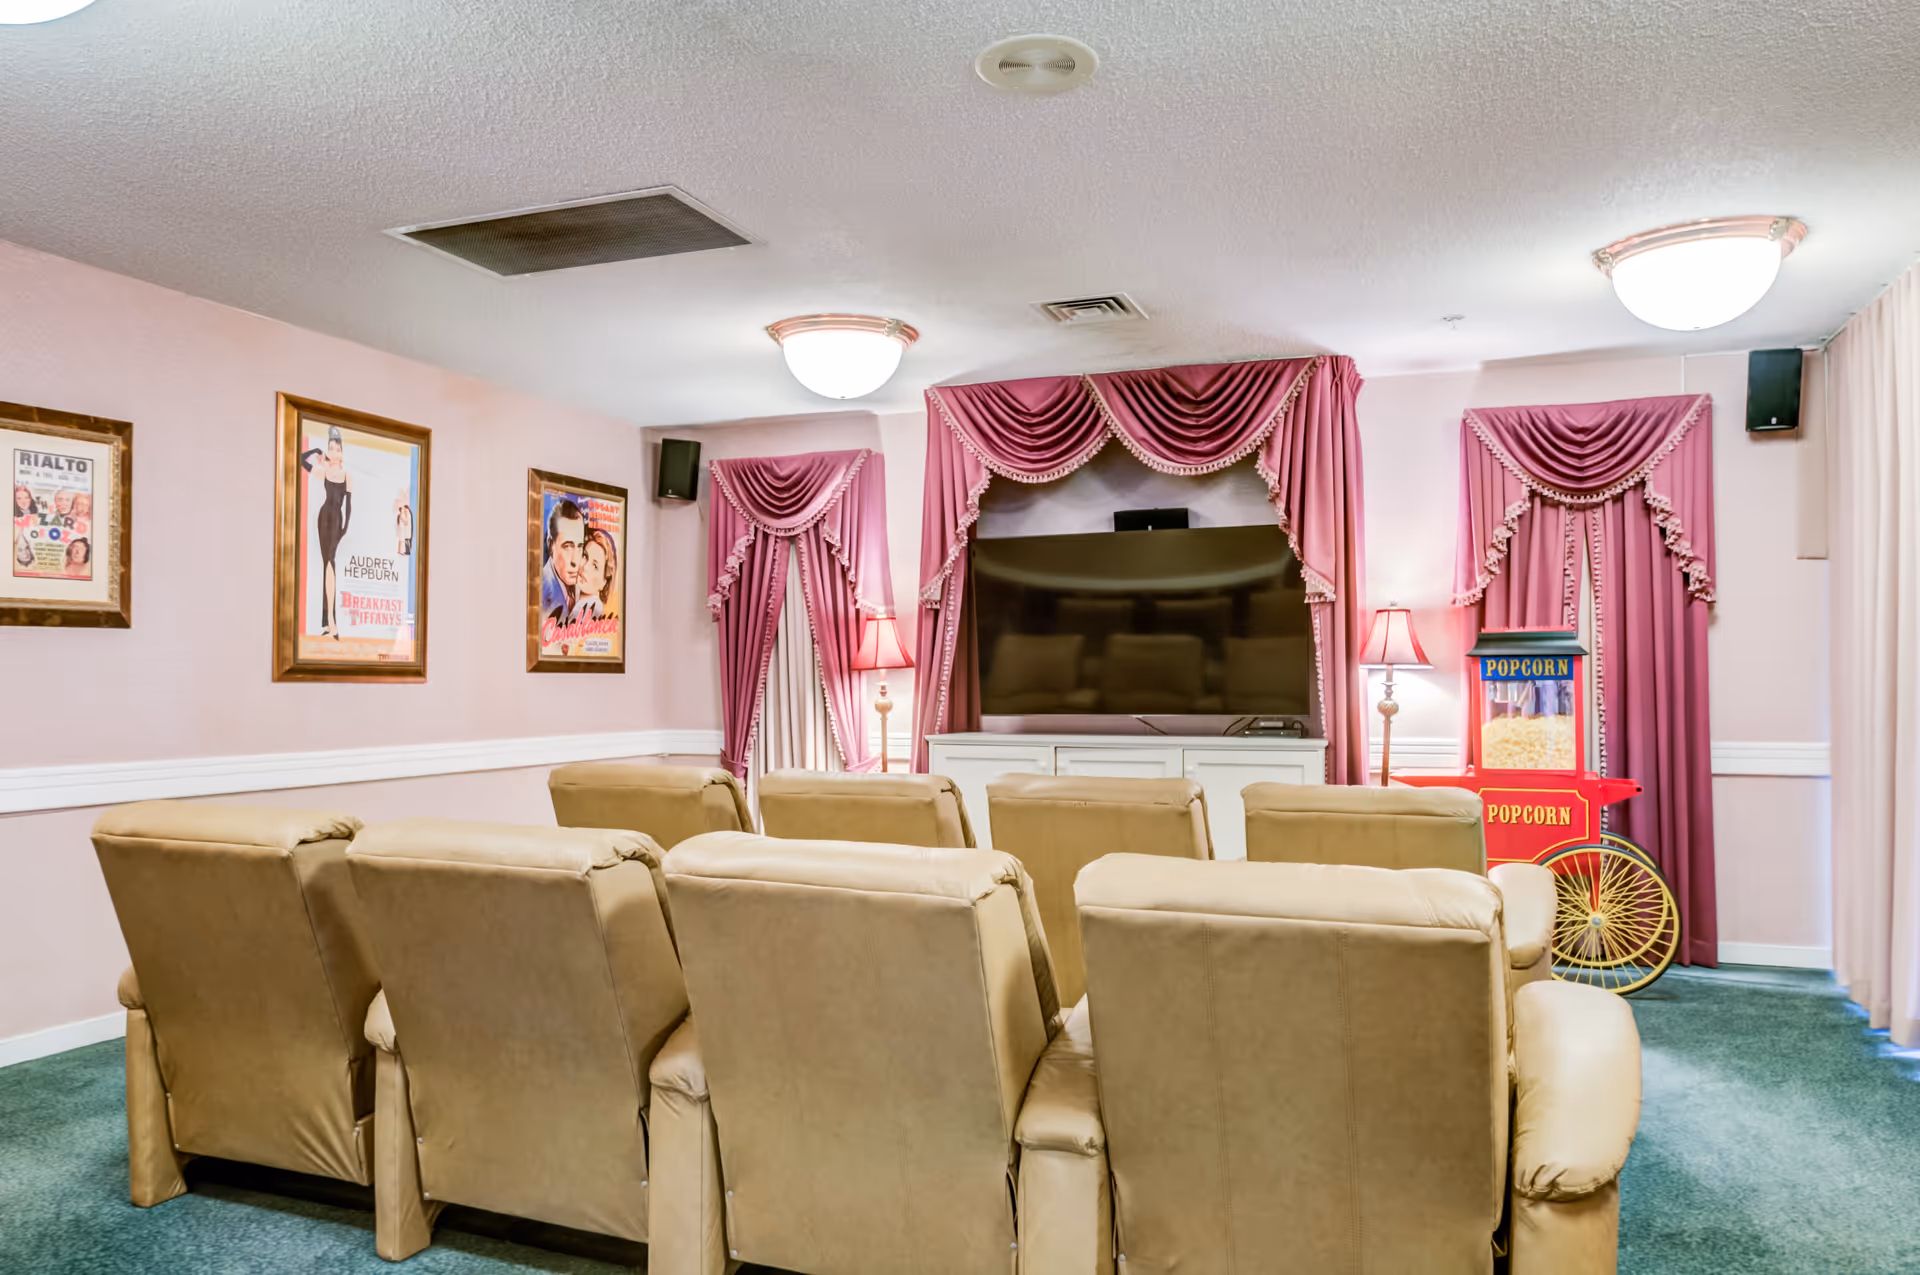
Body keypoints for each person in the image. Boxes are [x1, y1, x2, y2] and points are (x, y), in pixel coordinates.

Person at [300, 426, 353, 638]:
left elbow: (348, 507)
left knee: (330, 563)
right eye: (331, 448)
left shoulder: (347, 476)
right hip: (323, 519)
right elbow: (301, 460)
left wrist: (344, 530)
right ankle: (329, 623)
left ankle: (330, 621)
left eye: (337, 449)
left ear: (342, 452)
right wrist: (315, 450)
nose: (334, 452)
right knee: (327, 564)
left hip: (337, 521)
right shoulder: (324, 472)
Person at [541, 499, 587, 622]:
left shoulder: (584, 587)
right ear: (550, 545)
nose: (575, 561)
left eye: (580, 546)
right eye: (567, 546)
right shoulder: (541, 593)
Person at [570, 526, 618, 622]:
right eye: (585, 556)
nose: (585, 567)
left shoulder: (591, 607)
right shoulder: (581, 604)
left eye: (595, 566)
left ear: (604, 582)